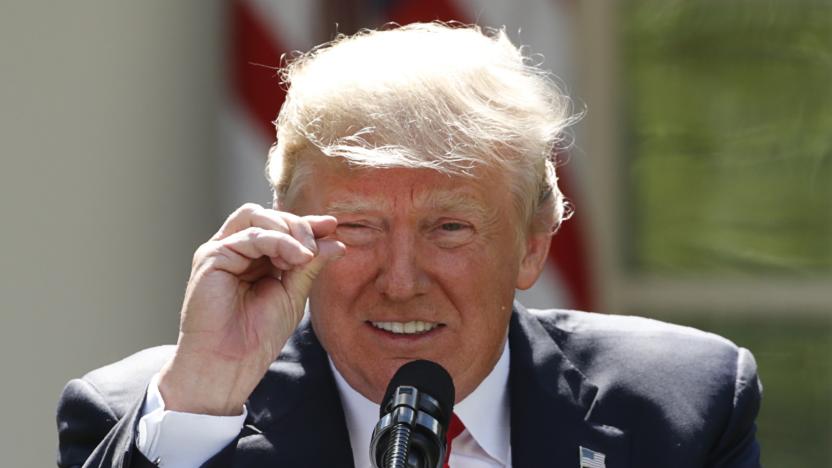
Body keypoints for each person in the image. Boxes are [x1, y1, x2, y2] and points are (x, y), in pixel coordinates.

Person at [56, 22, 762, 468]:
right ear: (286, 238)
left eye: (448, 228)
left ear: (531, 246)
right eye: (358, 227)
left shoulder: (681, 406)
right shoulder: (148, 418)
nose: (400, 281)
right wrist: (203, 401)